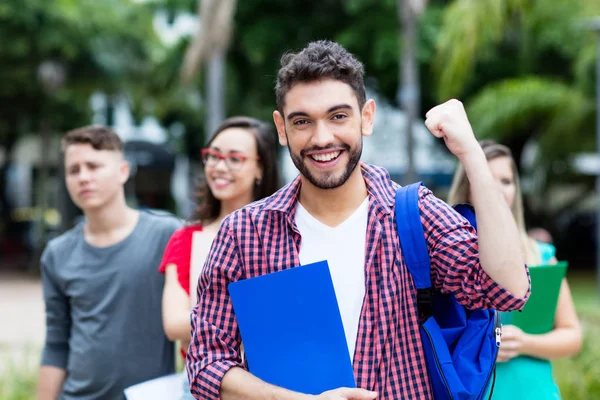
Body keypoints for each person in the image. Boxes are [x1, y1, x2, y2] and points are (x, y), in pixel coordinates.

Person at [186, 40, 531, 400]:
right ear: (281, 127)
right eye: (302, 121)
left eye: (338, 117)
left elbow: (508, 289)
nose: (322, 138)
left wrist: (471, 153)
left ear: (366, 117)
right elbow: (206, 364)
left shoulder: (414, 215)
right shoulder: (246, 233)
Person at [38, 126, 180, 400]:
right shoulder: (57, 253)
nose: (83, 177)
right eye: (74, 170)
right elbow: (56, 343)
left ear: (123, 172)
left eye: (93, 166)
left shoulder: (167, 234)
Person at [448, 140, 582, 399]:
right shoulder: (448, 260)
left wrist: (525, 342)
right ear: (467, 186)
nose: (498, 189)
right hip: (476, 391)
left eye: (506, 181)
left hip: (536, 392)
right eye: (487, 178)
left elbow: (572, 335)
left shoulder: (541, 256)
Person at [158, 116, 280, 399]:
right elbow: (174, 322)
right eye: (212, 156)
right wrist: (249, 316)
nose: (219, 167)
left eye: (234, 158)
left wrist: (214, 318)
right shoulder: (185, 239)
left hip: (275, 383)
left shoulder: (288, 231)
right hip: (205, 387)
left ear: (260, 167)